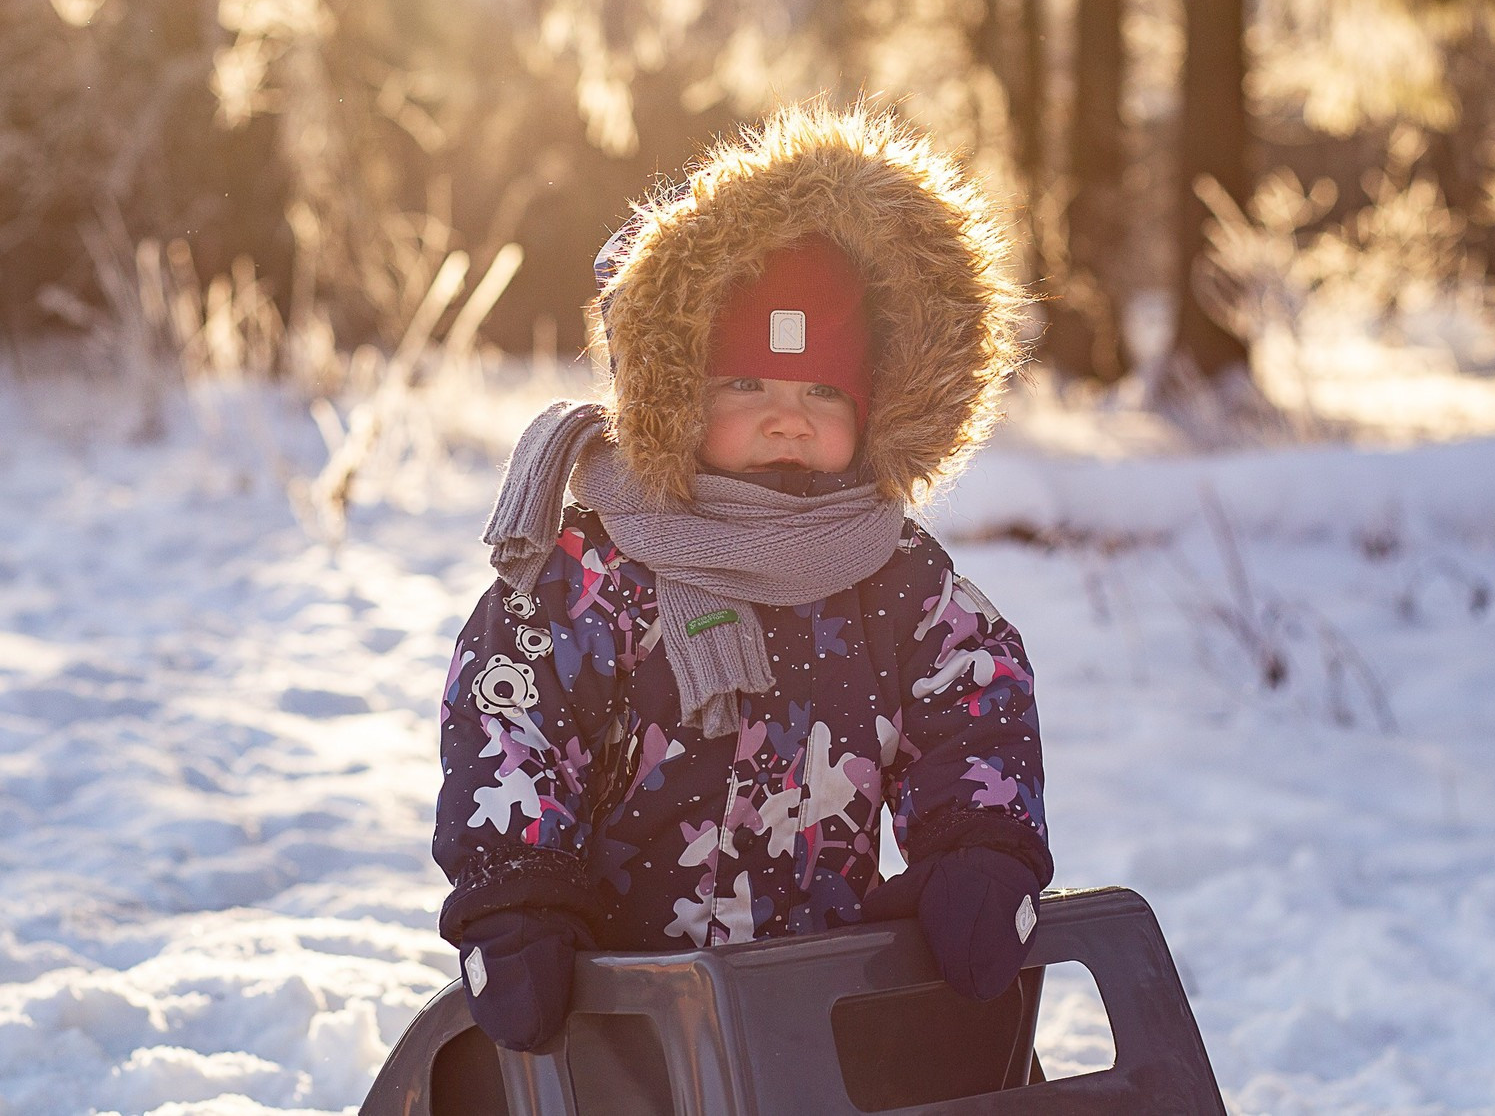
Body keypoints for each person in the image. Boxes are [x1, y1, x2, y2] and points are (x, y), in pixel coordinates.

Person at [432, 103, 1052, 1055]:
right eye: (748, 386)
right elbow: (511, 711)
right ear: (683, 391)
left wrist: (977, 845)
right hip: (622, 1007)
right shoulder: (604, 564)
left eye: (821, 392)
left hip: (820, 1005)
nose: (786, 419)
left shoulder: (887, 568)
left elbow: (973, 690)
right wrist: (517, 891)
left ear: (872, 403)